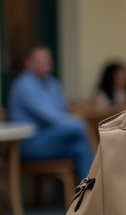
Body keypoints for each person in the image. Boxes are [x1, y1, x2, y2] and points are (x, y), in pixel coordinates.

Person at [7, 46, 94, 180]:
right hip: (30, 144)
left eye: (48, 60)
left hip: (52, 137)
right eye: (40, 61)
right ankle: (107, 174)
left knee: (80, 147)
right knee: (79, 126)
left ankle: (90, 193)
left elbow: (63, 110)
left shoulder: (52, 83)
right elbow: (52, 117)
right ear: (28, 63)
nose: (45, 64)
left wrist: (71, 118)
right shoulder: (25, 84)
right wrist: (74, 120)